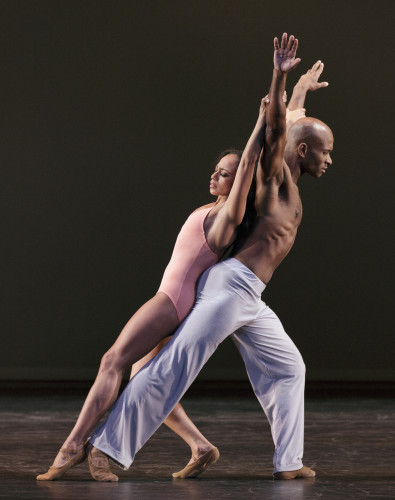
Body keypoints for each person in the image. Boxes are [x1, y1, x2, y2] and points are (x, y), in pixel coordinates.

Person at [87, 33, 334, 480]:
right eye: (326, 151)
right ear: (302, 151)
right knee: (173, 365)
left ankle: (288, 463)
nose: (330, 159)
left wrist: (299, 91)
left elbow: (291, 119)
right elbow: (279, 126)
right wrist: (279, 76)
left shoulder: (291, 176)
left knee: (288, 368)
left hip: (249, 294)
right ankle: (104, 449)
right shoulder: (275, 175)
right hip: (229, 287)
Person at [36, 83, 270, 482]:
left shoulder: (227, 217)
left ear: (239, 185)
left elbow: (250, 163)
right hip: (175, 300)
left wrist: (265, 118)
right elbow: (242, 168)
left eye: (225, 173)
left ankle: (75, 447)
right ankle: (200, 446)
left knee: (112, 360)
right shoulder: (213, 209)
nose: (216, 174)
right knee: (142, 376)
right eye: (216, 169)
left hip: (171, 302)